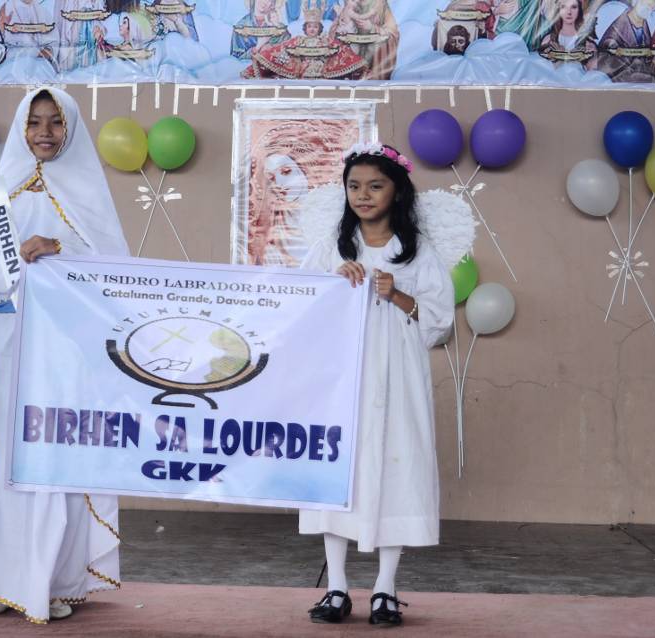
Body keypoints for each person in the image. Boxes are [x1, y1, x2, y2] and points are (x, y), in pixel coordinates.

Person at [0, 87, 129, 624]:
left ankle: (56, 581)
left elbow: (115, 277)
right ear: (21, 128)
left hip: (59, 352)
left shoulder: (89, 195)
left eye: (55, 123)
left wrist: (61, 251)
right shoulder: (1, 193)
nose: (44, 132)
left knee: (52, 461)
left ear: (71, 130)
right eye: (34, 122)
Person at [298, 143, 454, 626]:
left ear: (397, 191)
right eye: (354, 186)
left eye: (375, 185)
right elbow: (300, 305)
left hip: (396, 376)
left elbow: (440, 321)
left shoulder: (418, 252)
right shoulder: (332, 247)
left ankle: (386, 587)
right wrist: (333, 283)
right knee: (340, 472)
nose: (363, 195)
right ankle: (338, 587)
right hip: (343, 376)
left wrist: (399, 293)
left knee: (394, 464)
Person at [241, 11, 366, 80]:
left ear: (320, 28)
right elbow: (280, 49)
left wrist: (356, 61)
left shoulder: (326, 41)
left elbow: (341, 50)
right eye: (309, 26)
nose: (312, 29)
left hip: (322, 74)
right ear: (305, 28)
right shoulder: (298, 40)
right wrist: (262, 56)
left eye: (315, 26)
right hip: (300, 73)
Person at [597, 0, 655, 83]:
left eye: (654, 2)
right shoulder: (616, 32)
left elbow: (645, 59)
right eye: (647, 2)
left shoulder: (644, 26)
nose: (651, 5)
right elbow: (614, 70)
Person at [328, 0, 399, 80]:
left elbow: (392, 34)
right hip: (351, 63)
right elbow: (334, 31)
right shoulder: (350, 3)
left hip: (373, 63)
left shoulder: (380, 4)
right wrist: (342, 27)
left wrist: (372, 28)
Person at [0, 0, 59, 80]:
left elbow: (53, 42)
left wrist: (47, 51)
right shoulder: (4, 10)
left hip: (38, 65)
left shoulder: (43, 12)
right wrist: (1, 27)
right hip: (11, 65)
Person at [538, 0, 597, 69]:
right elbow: (544, 69)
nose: (569, 12)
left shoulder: (588, 44)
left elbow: (594, 70)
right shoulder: (549, 40)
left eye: (574, 7)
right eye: (563, 7)